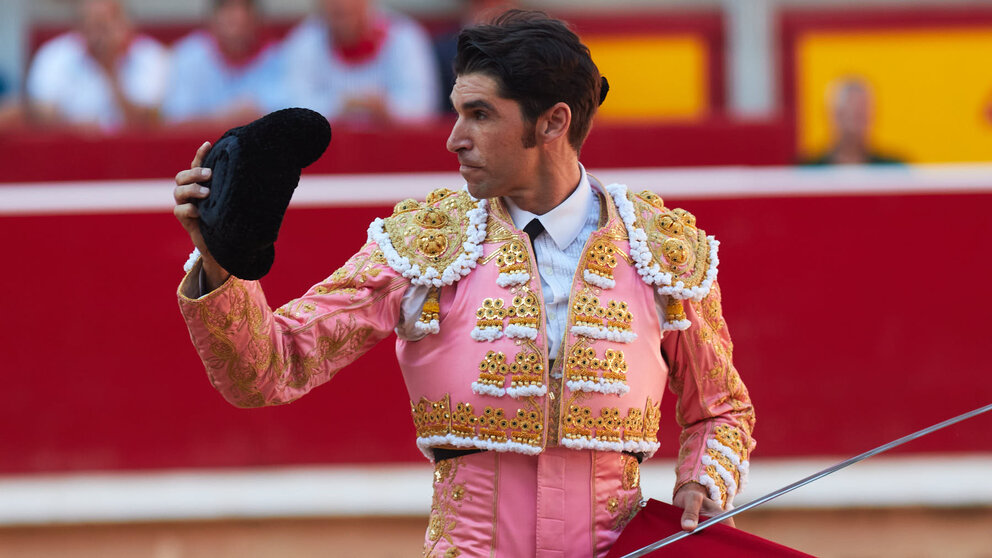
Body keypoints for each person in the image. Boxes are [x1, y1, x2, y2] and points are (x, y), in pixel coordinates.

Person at [173, 11, 754, 557]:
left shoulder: (662, 250)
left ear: (553, 122)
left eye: (480, 114)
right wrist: (222, 260)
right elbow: (271, 368)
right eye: (457, 113)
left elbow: (720, 411)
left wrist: (703, 481)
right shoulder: (424, 242)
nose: (454, 138)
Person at [277, 0, 439, 125]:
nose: (342, 5)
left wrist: (385, 108)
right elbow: (291, 106)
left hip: (395, 150)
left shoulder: (405, 36)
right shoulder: (302, 41)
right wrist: (340, 106)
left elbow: (423, 105)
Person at [24, 0, 169, 132]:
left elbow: (148, 122)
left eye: (105, 25)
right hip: (71, 151)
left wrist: (110, 67)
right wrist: (75, 128)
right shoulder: (53, 55)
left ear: (125, 24)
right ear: (78, 26)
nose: (99, 36)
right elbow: (41, 115)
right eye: (90, 25)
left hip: (134, 153)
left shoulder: (151, 56)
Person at [162, 0, 286, 127]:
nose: (237, 17)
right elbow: (175, 122)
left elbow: (288, 118)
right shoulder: (188, 55)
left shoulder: (278, 57)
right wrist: (225, 119)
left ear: (257, 19)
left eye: (244, 10)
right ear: (212, 17)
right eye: (228, 9)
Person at [801, 77, 902, 165]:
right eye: (850, 111)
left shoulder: (893, 171)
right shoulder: (806, 173)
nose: (857, 123)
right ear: (832, 114)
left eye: (862, 112)